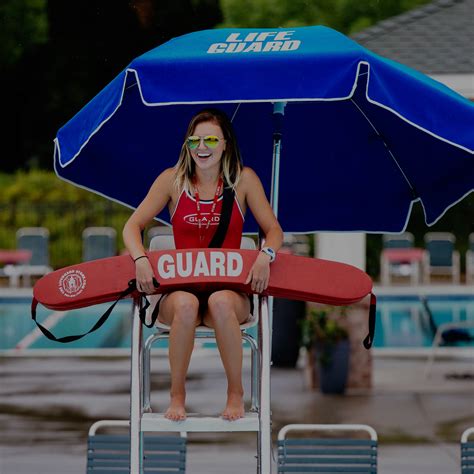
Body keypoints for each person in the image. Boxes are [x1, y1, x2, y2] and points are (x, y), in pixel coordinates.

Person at [123, 108, 283, 422]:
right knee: (184, 305)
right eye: (194, 140)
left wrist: (266, 256)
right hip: (181, 291)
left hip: (228, 291)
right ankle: (177, 394)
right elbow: (132, 226)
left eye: (211, 139)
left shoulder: (244, 180)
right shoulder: (172, 180)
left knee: (221, 302)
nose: (202, 147)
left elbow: (274, 231)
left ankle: (235, 392)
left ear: (226, 144)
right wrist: (140, 259)